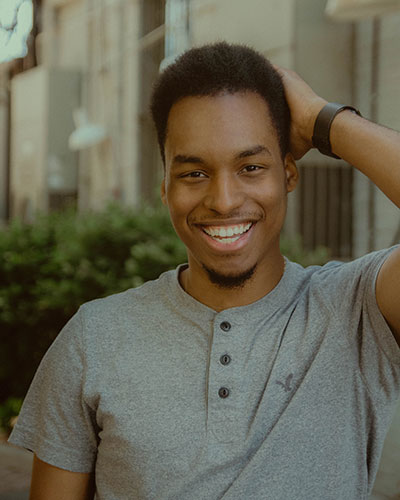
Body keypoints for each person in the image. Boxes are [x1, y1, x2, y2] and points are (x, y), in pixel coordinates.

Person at [8, 42, 400, 500]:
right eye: (194, 174)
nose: (225, 200)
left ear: (289, 175)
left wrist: (322, 120)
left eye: (251, 167)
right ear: (165, 189)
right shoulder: (93, 339)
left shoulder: (359, 311)